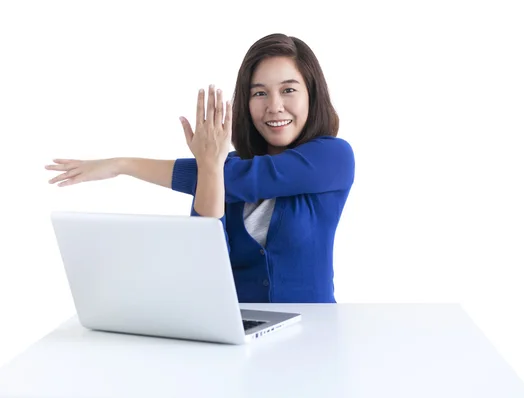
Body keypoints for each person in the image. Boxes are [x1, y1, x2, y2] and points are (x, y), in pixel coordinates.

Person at [46, 33, 355, 303]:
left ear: (312, 95)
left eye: (288, 90)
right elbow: (206, 252)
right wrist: (209, 166)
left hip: (314, 339)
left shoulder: (333, 157)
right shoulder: (221, 167)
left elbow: (244, 178)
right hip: (237, 340)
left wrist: (123, 165)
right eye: (259, 93)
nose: (274, 106)